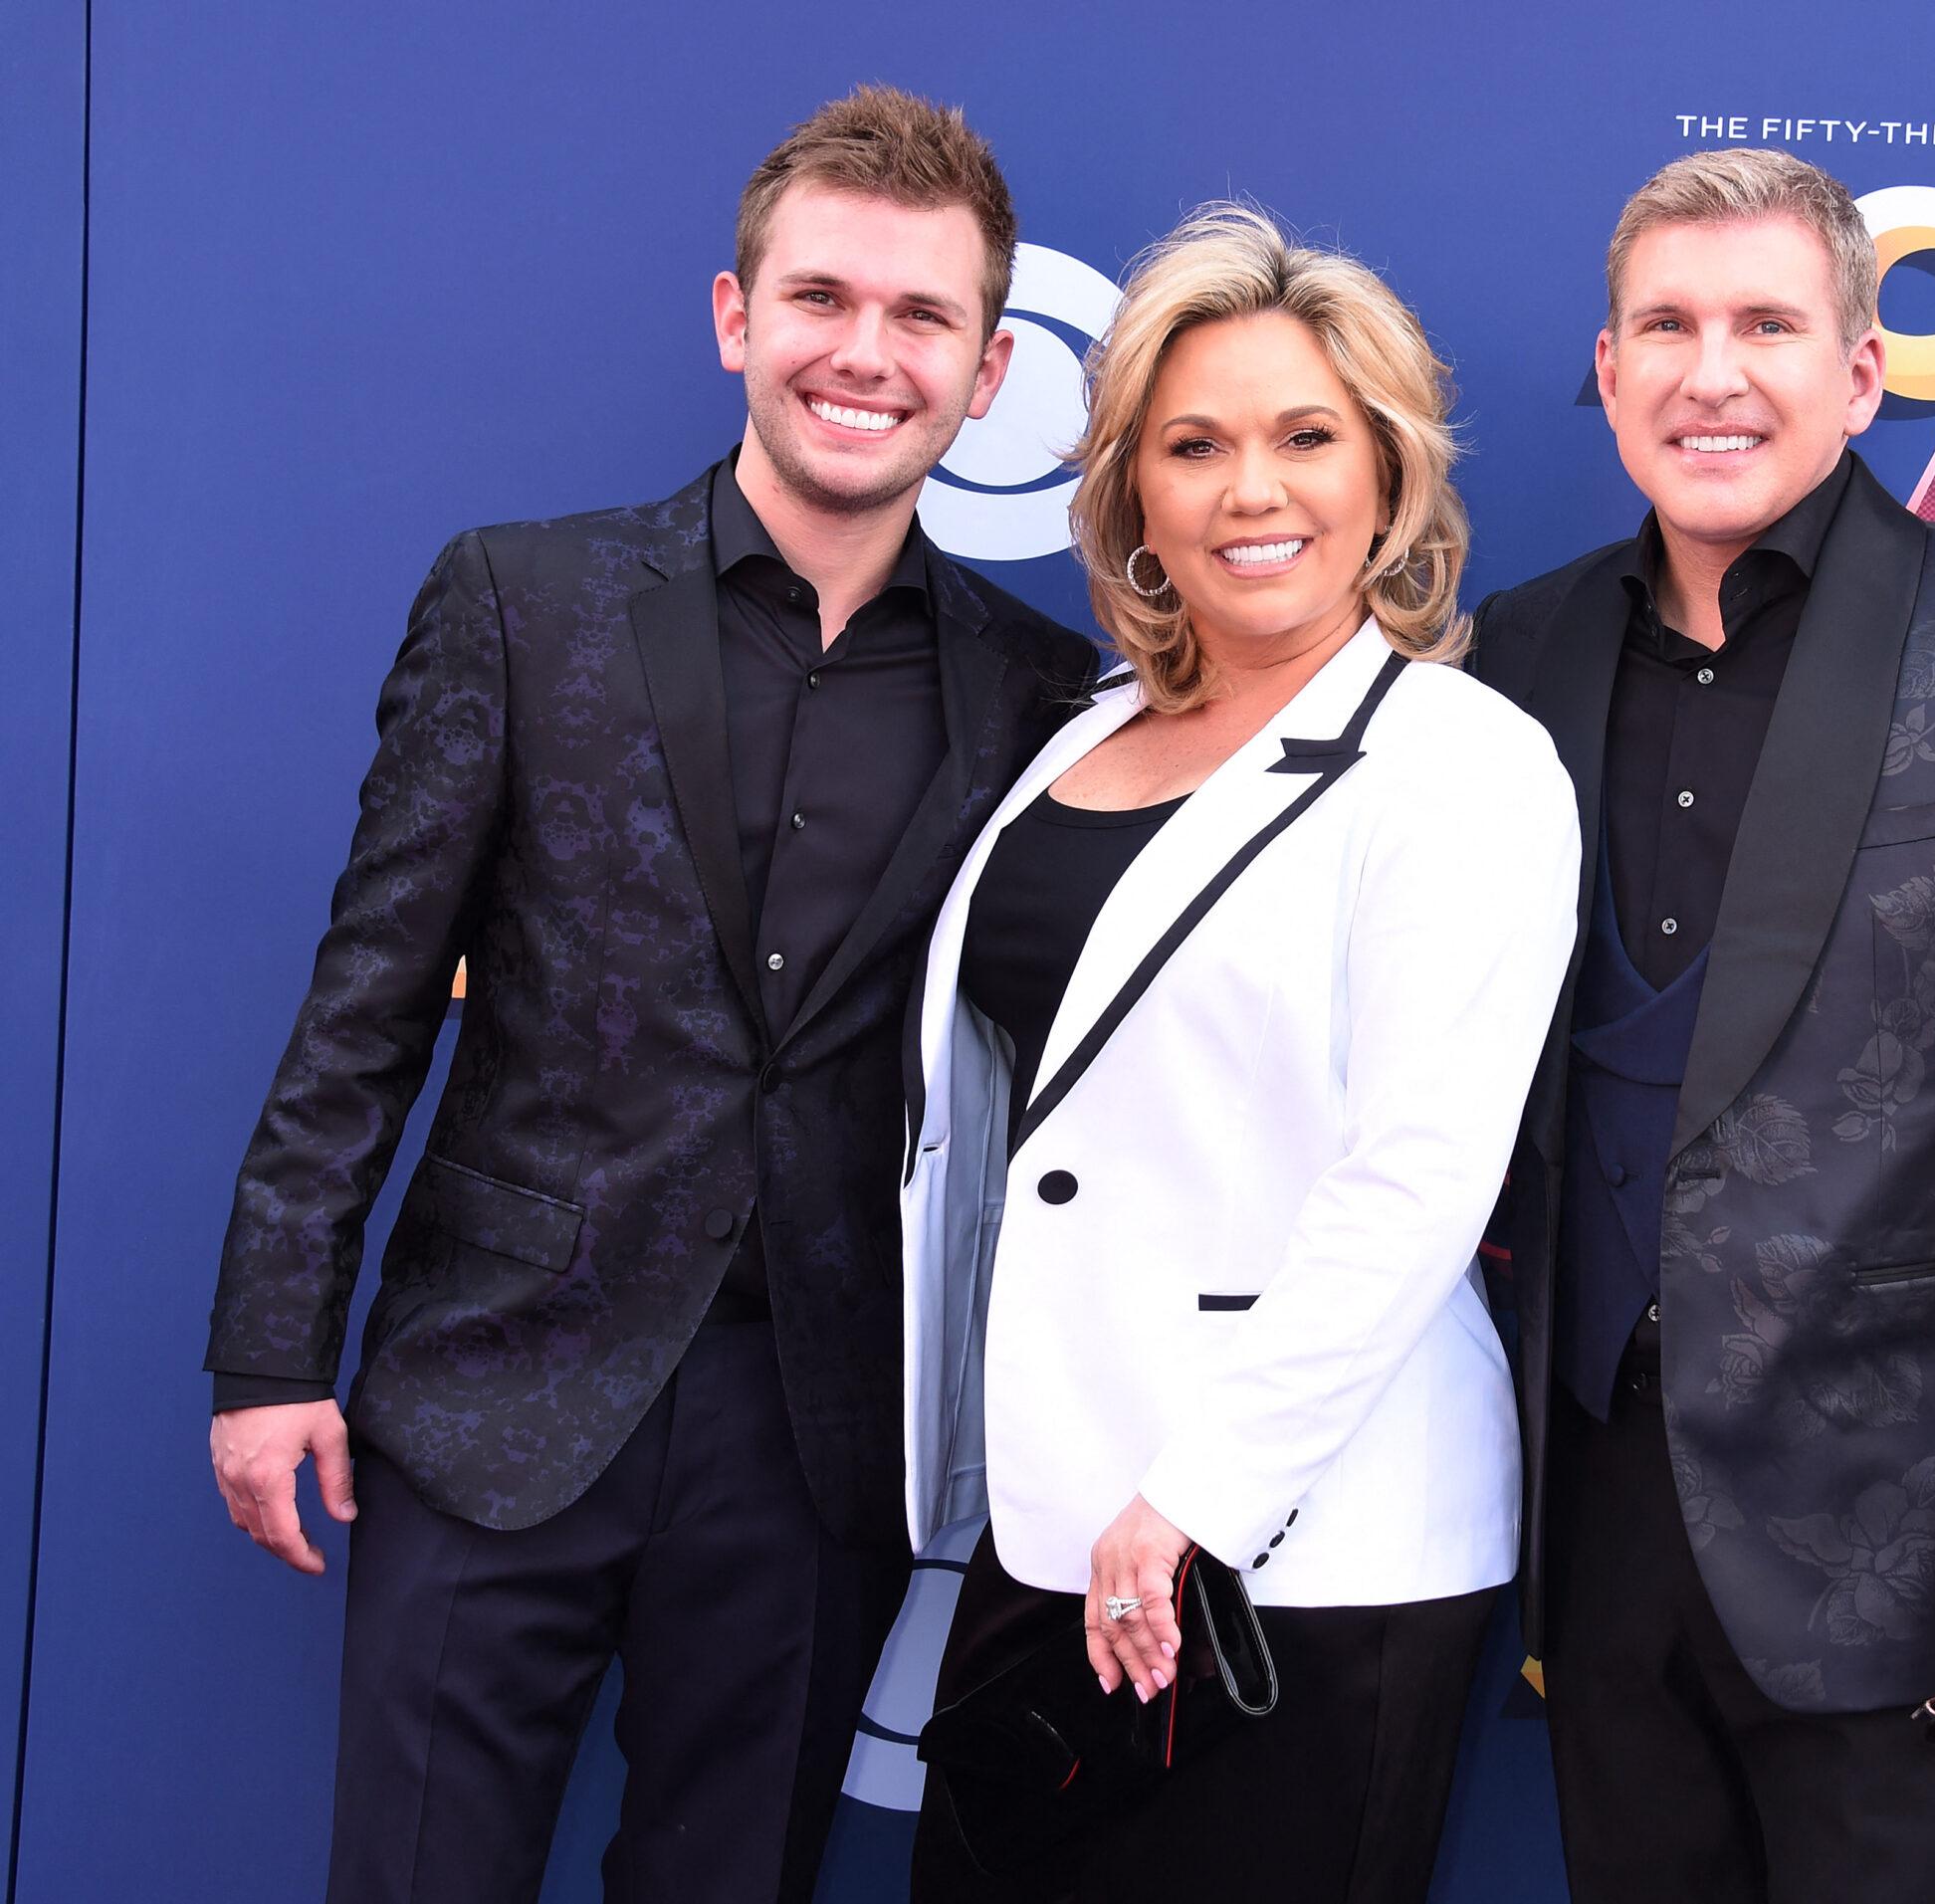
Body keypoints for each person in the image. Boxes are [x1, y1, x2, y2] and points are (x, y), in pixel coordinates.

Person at [202, 87, 1093, 1904]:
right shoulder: (525, 600)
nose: (868, 353)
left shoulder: (1040, 688)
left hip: (817, 1432)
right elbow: (368, 997)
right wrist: (269, 1350)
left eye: (923, 317)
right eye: (825, 298)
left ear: (990, 371)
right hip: (491, 1392)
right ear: (733, 318)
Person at [1470, 148, 1935, 1903]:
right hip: (1596, 1515)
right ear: (1613, 369)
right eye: (1669, 326)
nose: (1714, 371)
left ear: (1861, 371)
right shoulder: (1515, 655)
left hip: (1907, 1530)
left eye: (1768, 323)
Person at [900, 203, 1579, 1901]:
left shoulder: (1459, 763)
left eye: (1305, 438)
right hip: (1054, 1516)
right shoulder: (1088, 733)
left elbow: (1418, 1175)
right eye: (1195, 443)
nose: (1251, 489)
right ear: (1133, 488)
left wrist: (1197, 1496)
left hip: (1296, 1547)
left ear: (1391, 475)